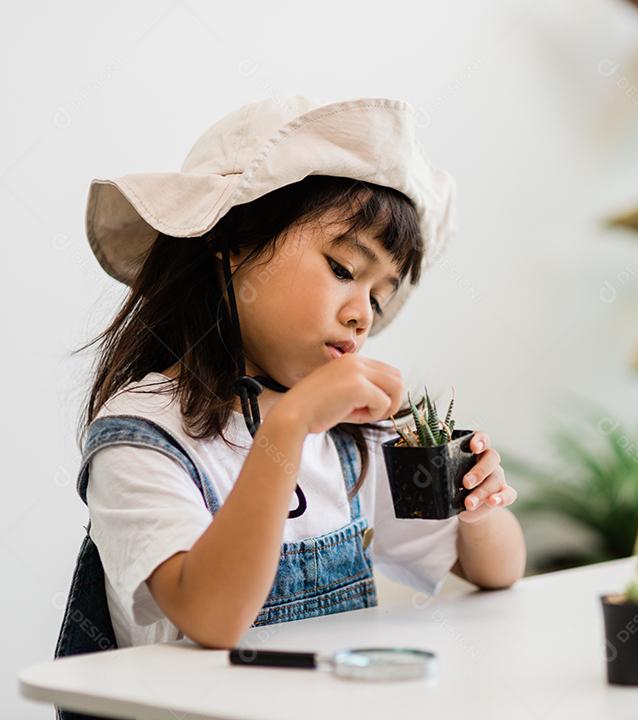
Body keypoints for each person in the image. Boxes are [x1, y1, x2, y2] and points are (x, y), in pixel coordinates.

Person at [54, 97, 526, 667]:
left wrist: (476, 504)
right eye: (343, 270)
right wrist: (290, 426)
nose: (363, 315)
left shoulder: (346, 442)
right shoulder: (142, 435)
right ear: (233, 247)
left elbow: (496, 571)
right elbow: (211, 615)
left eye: (379, 296)